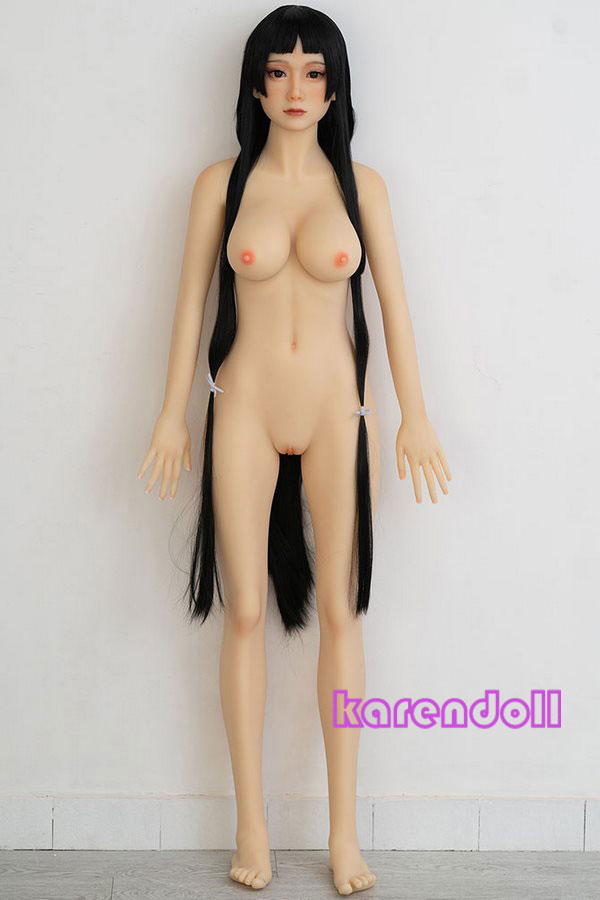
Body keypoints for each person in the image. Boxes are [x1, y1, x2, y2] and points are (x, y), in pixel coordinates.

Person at [138, 6, 451, 894]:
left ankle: (345, 834)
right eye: (279, 71)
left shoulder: (363, 188)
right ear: (255, 84)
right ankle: (252, 825)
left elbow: (393, 309)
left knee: (344, 614)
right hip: (241, 407)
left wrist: (415, 415)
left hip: (337, 414)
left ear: (337, 87)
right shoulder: (220, 185)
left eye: (315, 73)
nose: (297, 89)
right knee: (242, 614)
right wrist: (169, 416)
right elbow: (190, 306)